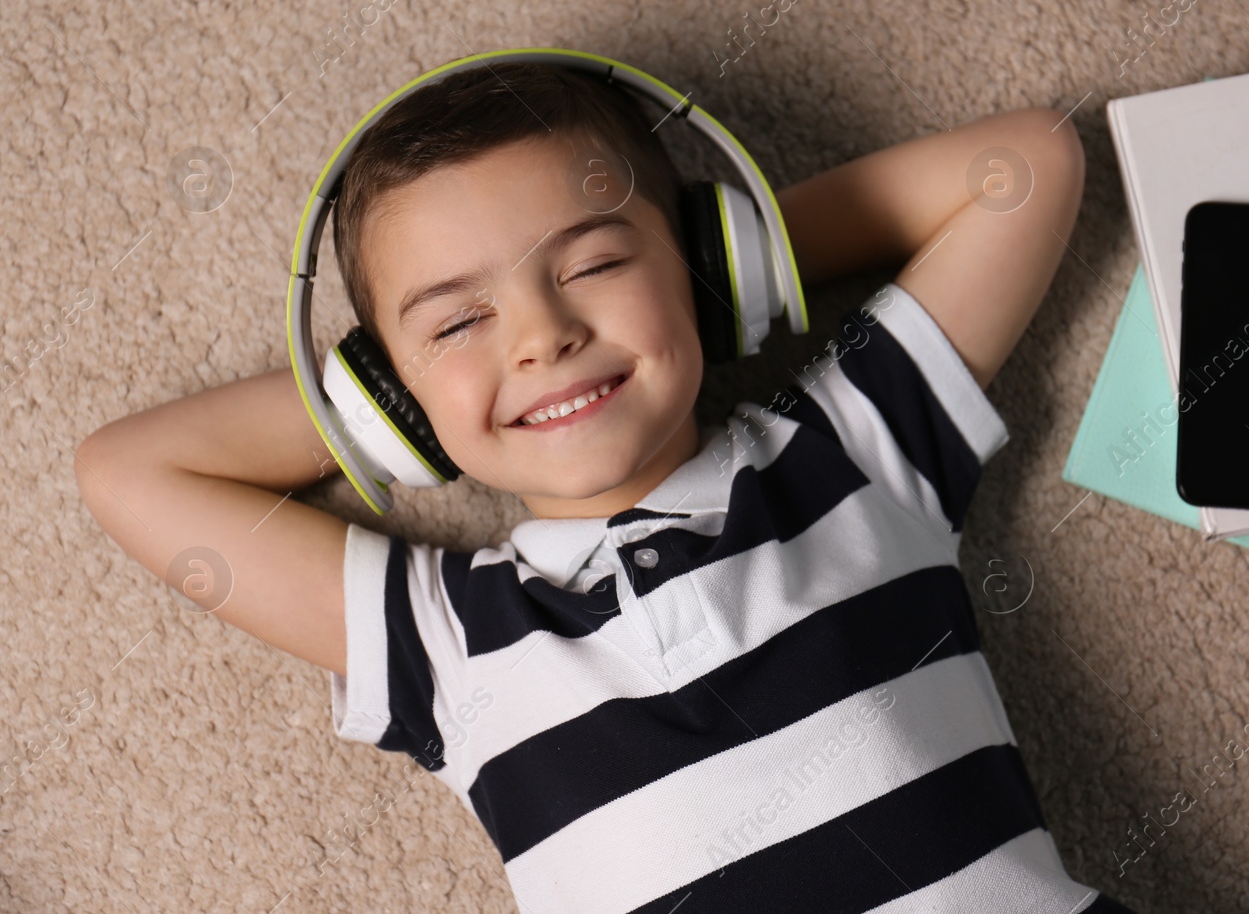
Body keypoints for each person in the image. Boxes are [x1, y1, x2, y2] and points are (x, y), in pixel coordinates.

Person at [75, 62, 1135, 913]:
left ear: (703, 261)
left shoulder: (848, 453)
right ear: (394, 395)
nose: (544, 335)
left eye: (593, 263)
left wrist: (729, 269)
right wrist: (361, 411)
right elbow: (127, 470)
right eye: (456, 321)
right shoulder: (449, 640)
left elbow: (1025, 164)